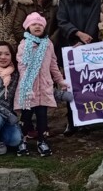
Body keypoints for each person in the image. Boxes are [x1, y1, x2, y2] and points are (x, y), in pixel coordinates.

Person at [56, 0, 102, 135]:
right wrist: (76, 34)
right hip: (69, 45)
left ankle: (86, 120)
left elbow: (94, 19)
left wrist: (84, 40)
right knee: (70, 86)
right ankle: (71, 121)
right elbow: (62, 20)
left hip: (88, 47)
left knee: (87, 84)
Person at [15, 13, 67, 156]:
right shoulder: (24, 45)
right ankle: (22, 140)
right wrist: (28, 84)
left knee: (42, 115)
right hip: (28, 87)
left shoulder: (48, 44)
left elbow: (53, 65)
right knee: (26, 116)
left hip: (43, 86)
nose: (37, 26)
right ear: (27, 28)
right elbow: (22, 65)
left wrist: (60, 80)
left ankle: (42, 140)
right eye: (33, 24)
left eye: (40, 24)